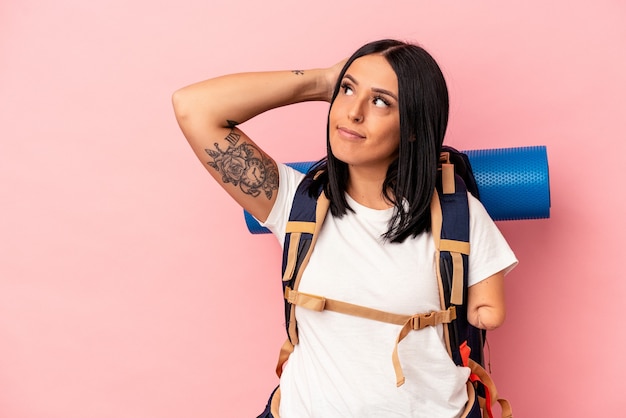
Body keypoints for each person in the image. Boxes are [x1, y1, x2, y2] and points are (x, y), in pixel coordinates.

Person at [172, 39, 517, 418]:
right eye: (349, 89)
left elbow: (488, 311)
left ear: (415, 127)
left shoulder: (455, 215)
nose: (353, 112)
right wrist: (322, 81)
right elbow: (193, 107)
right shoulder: (293, 202)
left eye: (381, 101)